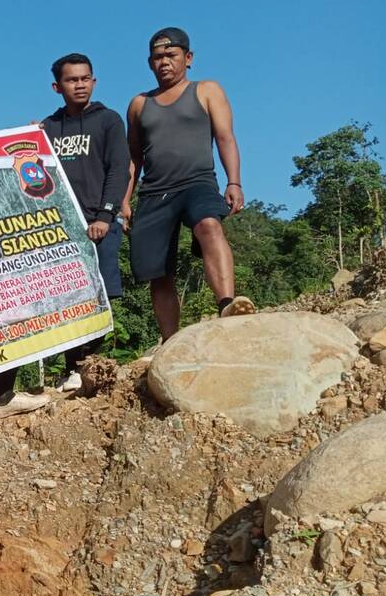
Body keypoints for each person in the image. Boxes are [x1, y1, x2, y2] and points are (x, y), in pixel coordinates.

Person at [123, 27, 255, 342]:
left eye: (171, 55)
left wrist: (233, 181)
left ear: (188, 57)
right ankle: (171, 340)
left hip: (197, 181)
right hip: (154, 192)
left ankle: (227, 304)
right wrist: (124, 201)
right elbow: (133, 159)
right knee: (159, 272)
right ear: (149, 63)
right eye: (157, 57)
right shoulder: (139, 104)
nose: (164, 62)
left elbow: (225, 137)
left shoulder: (207, 90)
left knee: (209, 224)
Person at [37, 52, 130, 392]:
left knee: (100, 294)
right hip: (62, 227)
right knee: (66, 298)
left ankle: (92, 365)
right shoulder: (47, 128)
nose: (79, 84)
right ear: (56, 86)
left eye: (85, 78)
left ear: (94, 81)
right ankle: (71, 368)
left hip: (98, 221)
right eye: (71, 79)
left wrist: (105, 216)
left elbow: (120, 169)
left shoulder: (109, 121)